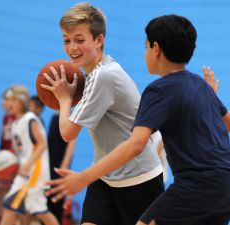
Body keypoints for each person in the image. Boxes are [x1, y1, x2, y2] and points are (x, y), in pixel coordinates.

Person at [47, 15, 230, 225]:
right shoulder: (199, 85)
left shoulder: (158, 90)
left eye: (146, 46)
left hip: (197, 184)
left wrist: (84, 177)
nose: (145, 53)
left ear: (155, 48)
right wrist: (211, 97)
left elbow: (135, 144)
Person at [41, 3, 164, 225]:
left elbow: (67, 133)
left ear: (99, 40)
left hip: (138, 177)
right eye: (66, 40)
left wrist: (64, 98)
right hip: (105, 176)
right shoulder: (100, 70)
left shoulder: (103, 76)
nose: (72, 47)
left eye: (80, 40)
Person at [0, 85, 59, 225]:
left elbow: (42, 144)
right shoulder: (16, 123)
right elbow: (23, 151)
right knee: (40, 211)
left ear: (21, 102)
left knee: (10, 205)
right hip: (26, 173)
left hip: (35, 173)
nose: (9, 103)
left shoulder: (29, 119)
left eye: (13, 100)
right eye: (9, 100)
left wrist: (27, 164)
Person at [0, 88, 15, 225]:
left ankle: (5, 219)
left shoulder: (18, 117)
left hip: (11, 159)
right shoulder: (5, 117)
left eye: (7, 99)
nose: (4, 102)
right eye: (4, 99)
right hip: (3, 156)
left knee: (8, 192)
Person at [47, 112, 76, 224]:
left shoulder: (71, 117)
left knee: (57, 202)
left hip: (60, 165)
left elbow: (72, 143)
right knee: (47, 200)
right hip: (50, 164)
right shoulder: (54, 117)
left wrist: (65, 164)